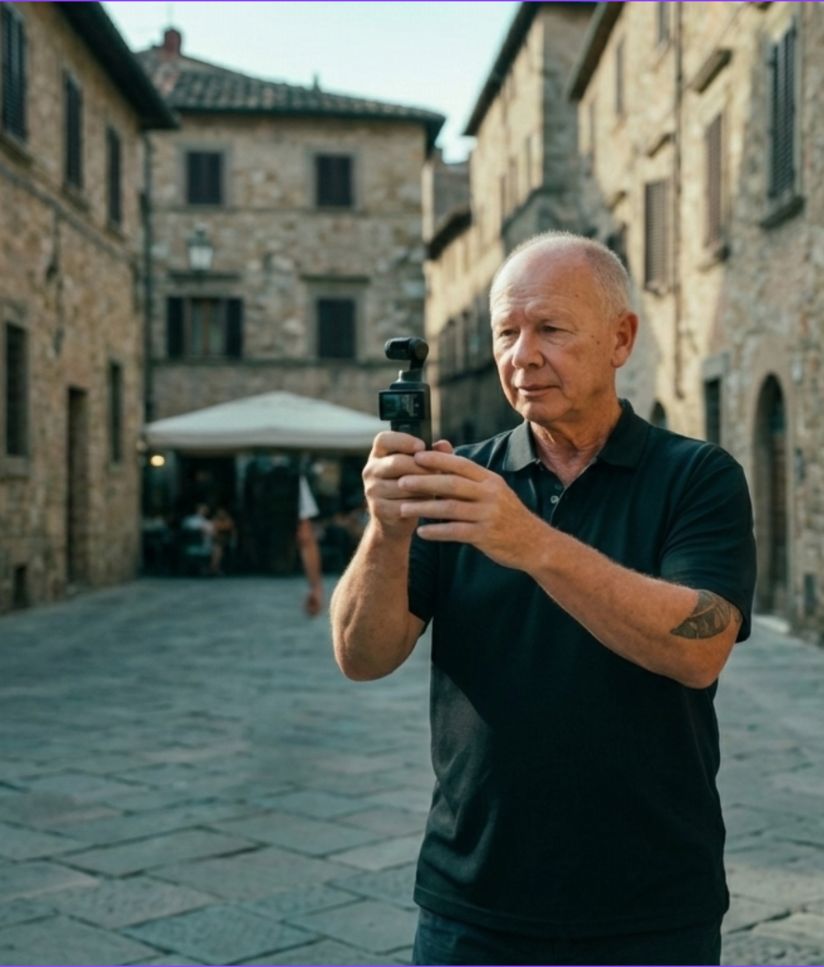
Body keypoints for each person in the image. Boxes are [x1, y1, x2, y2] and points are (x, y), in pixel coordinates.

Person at [330, 232, 756, 966]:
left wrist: (529, 541)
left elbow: (701, 648)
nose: (521, 355)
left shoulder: (697, 477)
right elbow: (362, 657)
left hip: (651, 906)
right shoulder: (458, 479)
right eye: (506, 332)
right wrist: (388, 531)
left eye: (551, 329)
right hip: (473, 904)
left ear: (621, 337)